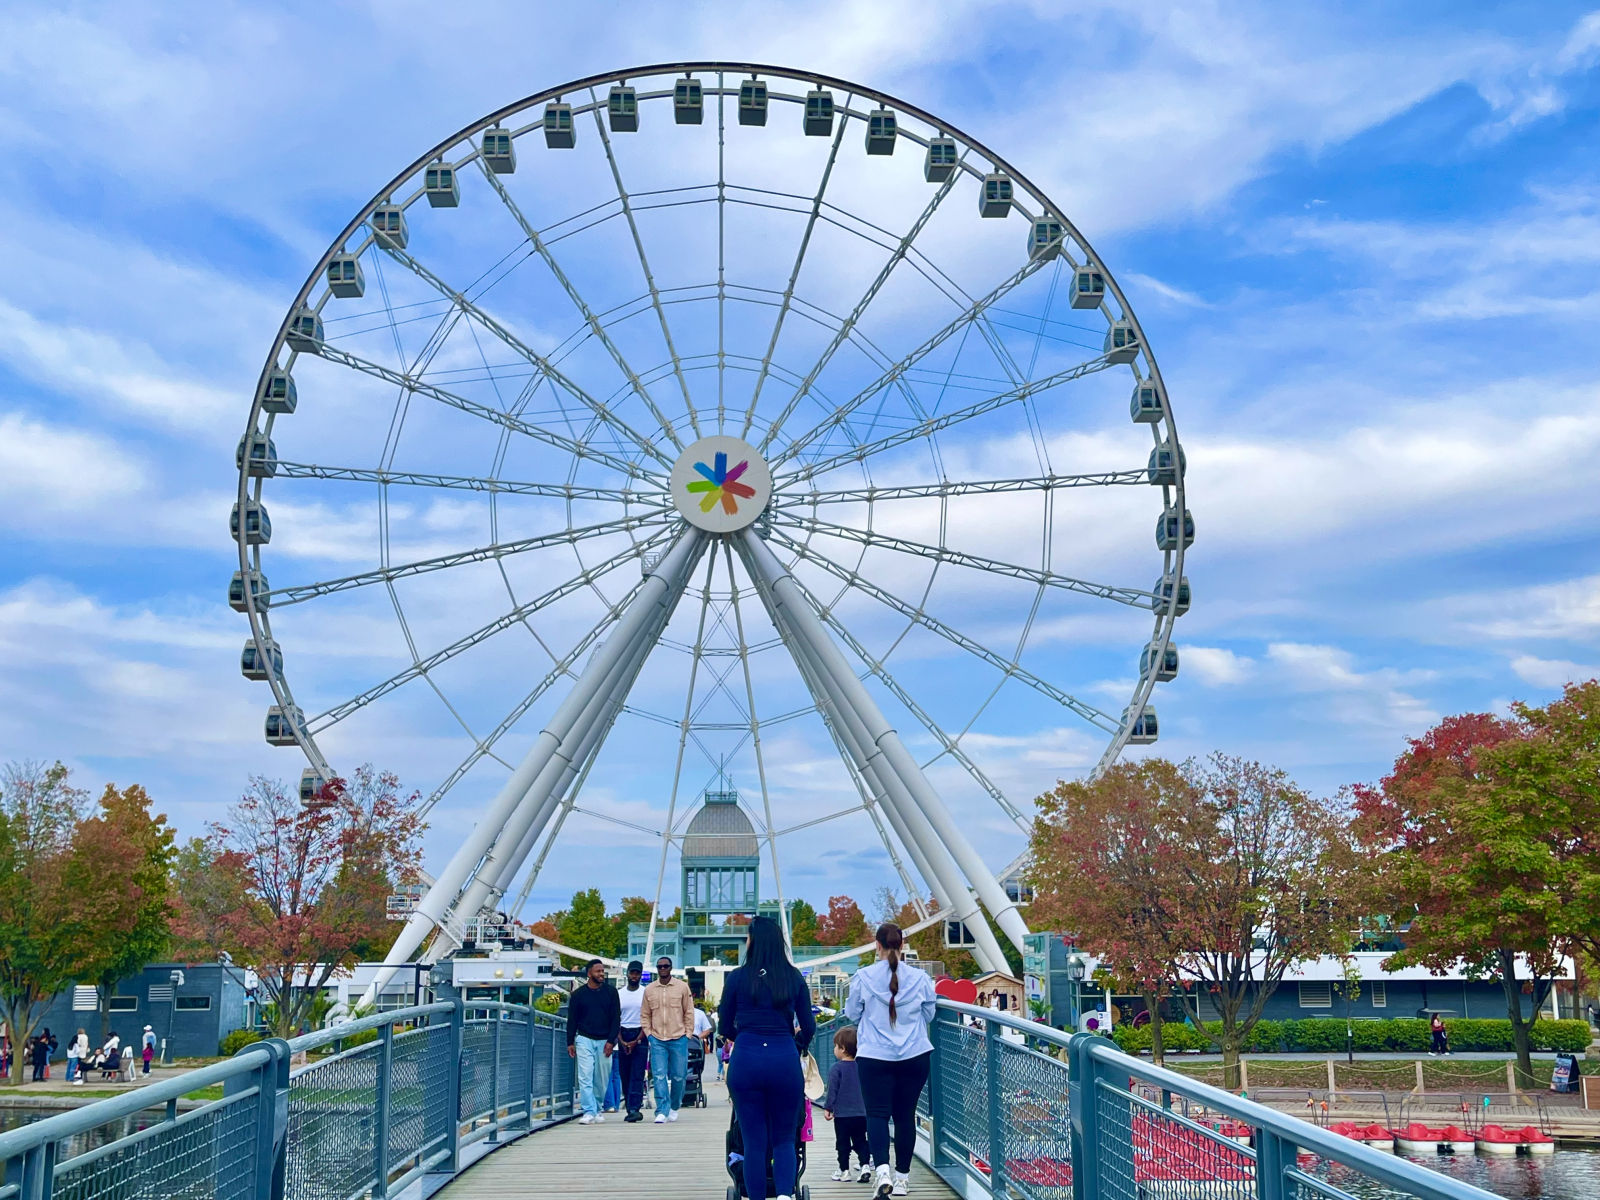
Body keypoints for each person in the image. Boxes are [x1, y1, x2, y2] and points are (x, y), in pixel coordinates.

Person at [718, 915, 816, 1200]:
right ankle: (785, 1194)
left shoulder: (737, 977)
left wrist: (744, 1037)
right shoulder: (793, 976)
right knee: (785, 1138)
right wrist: (795, 1043)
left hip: (746, 1059)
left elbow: (724, 1026)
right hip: (783, 1057)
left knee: (753, 1142)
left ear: (754, 941)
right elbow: (808, 1026)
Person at [846, 922, 938, 1198]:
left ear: (877, 946)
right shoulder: (921, 979)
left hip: (875, 1055)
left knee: (876, 1114)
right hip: (914, 1055)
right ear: (902, 945)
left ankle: (882, 1171)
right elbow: (929, 1014)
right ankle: (903, 1179)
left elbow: (852, 1013)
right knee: (905, 1116)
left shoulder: (863, 977)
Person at [641, 955, 695, 1124]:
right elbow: (645, 1015)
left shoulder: (682, 987)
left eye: (666, 966)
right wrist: (648, 1033)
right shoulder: (649, 990)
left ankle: (674, 1105)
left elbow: (689, 1011)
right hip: (657, 1038)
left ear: (671, 968)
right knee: (658, 1075)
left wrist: (688, 1033)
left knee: (679, 1075)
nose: (663, 969)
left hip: (679, 1037)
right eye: (660, 966)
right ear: (657, 969)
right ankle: (662, 1110)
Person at [566, 959, 620, 1124]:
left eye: (603, 971)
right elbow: (572, 1020)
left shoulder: (611, 992)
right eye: (598, 971)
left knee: (602, 1079)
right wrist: (570, 1042)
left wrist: (612, 1041)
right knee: (585, 1076)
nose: (601, 974)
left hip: (604, 1041)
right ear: (589, 973)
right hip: (584, 1039)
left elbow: (615, 1018)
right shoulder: (578, 995)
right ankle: (588, 1110)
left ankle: (597, 1107)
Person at [822, 1026, 873, 1183]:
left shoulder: (837, 1068)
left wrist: (828, 1107)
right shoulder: (863, 1067)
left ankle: (844, 1171)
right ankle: (865, 1165)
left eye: (836, 1046)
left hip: (843, 1115)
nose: (834, 1049)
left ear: (842, 1049)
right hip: (861, 1113)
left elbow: (833, 1091)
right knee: (860, 1140)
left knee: (842, 1143)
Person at [616, 961, 649, 1122]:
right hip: (623, 1034)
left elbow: (648, 1019)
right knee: (625, 1074)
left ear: (641, 975)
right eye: (632, 973)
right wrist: (621, 1041)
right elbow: (615, 1019)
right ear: (627, 974)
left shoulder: (646, 993)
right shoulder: (620, 994)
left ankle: (635, 1108)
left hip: (640, 1035)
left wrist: (637, 1040)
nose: (634, 976)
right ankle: (630, 1107)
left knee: (637, 1074)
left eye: (637, 973)